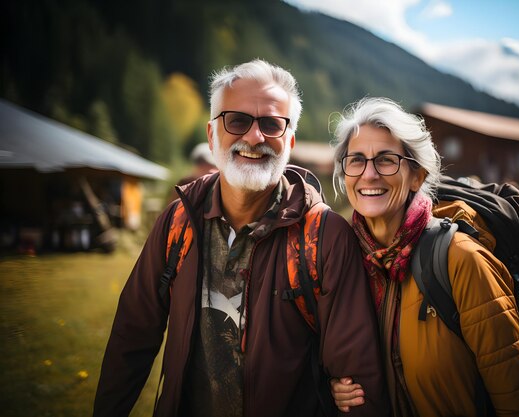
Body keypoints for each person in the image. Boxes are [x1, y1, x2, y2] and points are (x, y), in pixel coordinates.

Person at [94, 60, 389, 417]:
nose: (254, 137)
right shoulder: (177, 223)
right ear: (211, 134)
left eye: (271, 124)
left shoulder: (324, 237)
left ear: (290, 140)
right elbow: (131, 339)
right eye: (237, 120)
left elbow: (357, 381)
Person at [328, 97, 519, 417]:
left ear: (417, 176)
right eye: (356, 160)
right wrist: (335, 386)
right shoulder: (343, 258)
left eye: (387, 160)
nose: (369, 174)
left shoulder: (461, 261)